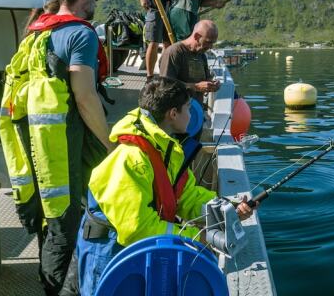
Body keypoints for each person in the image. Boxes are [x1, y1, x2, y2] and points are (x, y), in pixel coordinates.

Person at [72, 77, 255, 295]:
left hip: (137, 251)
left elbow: (186, 196)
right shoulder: (131, 159)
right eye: (188, 107)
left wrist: (226, 209)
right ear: (173, 114)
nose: (194, 114)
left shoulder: (163, 147)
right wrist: (195, 238)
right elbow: (137, 229)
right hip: (107, 252)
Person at [0, 0, 111, 295]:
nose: (95, 2)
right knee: (66, 220)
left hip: (32, 138)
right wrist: (109, 143)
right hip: (60, 143)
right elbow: (85, 97)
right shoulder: (81, 34)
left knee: (48, 214)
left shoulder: (36, 32)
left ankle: (46, 280)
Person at [159, 19, 221, 102]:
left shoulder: (201, 54)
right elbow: (165, 85)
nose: (211, 47)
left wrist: (211, 84)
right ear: (197, 36)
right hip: (178, 111)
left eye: (213, 43)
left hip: (195, 109)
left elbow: (206, 78)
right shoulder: (174, 52)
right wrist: (196, 87)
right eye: (208, 42)